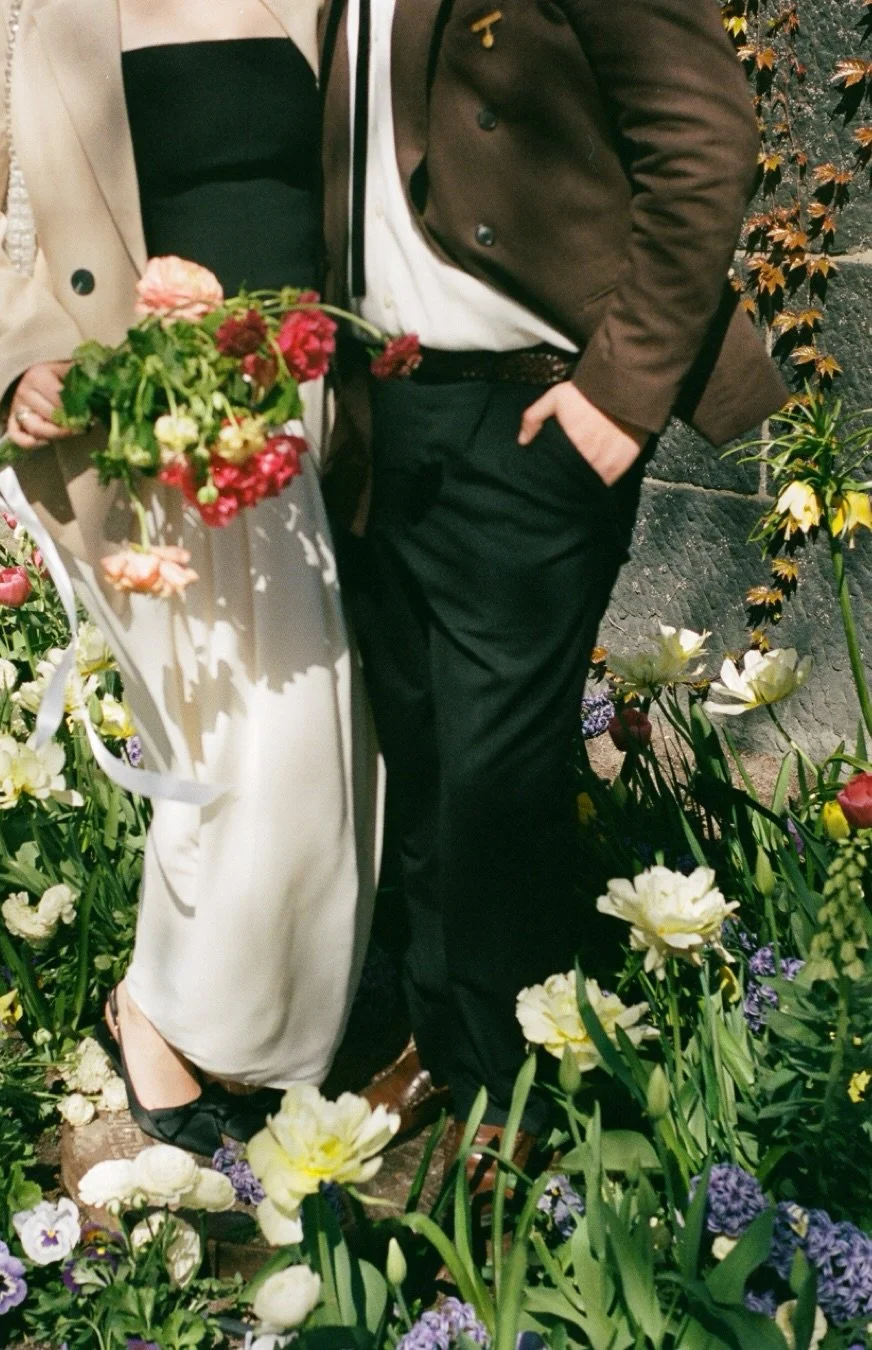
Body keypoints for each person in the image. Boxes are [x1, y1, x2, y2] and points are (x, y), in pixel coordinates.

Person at [0, 0, 379, 1155]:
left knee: (303, 739)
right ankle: (183, 1021)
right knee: (218, 730)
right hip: (131, 417)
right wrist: (20, 353)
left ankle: (189, 1014)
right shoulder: (20, 8)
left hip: (306, 410)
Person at [320, 0, 789, 1175]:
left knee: (498, 777)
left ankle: (516, 1101)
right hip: (385, 406)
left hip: (531, 408)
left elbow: (705, 137)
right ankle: (446, 1039)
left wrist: (618, 395)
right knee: (423, 754)